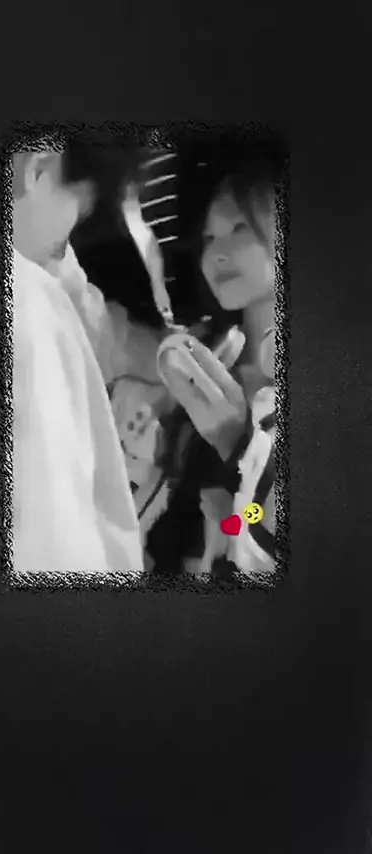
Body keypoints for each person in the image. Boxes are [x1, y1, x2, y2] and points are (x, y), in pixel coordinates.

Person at [12, 140, 162, 575]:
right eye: (74, 222)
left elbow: (92, 322)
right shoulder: (27, 305)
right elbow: (53, 545)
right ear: (37, 169)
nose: (62, 249)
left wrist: (169, 362)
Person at [158, 144, 280, 580]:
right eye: (209, 239)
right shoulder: (200, 360)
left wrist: (237, 442)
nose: (217, 253)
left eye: (239, 227)